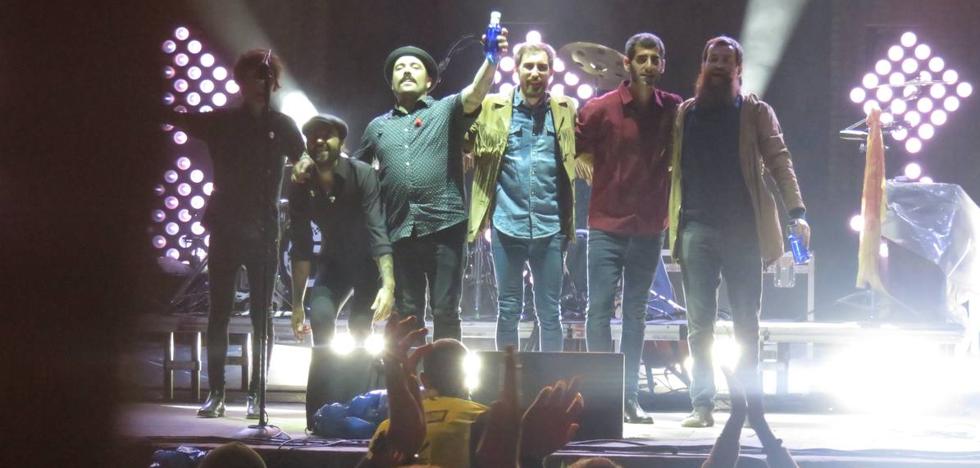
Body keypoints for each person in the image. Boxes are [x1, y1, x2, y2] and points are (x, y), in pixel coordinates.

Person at [668, 36, 810, 428]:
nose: (718, 65)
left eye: (726, 60)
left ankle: (748, 405)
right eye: (712, 58)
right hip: (696, 228)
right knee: (699, 325)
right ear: (703, 65)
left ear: (738, 69)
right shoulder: (686, 113)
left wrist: (797, 211)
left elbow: (780, 161)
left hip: (744, 231)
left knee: (747, 322)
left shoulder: (755, 113)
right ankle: (702, 405)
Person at [341, 32, 508, 342]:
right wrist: (310, 161)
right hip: (401, 230)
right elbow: (352, 169)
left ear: (430, 81)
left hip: (446, 225)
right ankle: (408, 383)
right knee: (407, 311)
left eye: (414, 67)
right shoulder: (377, 127)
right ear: (391, 82)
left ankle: (446, 383)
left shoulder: (444, 110)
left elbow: (475, 93)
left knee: (445, 309)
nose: (406, 71)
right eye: (399, 68)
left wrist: (491, 60)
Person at [169, 49, 304, 419]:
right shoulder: (223, 121)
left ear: (272, 81)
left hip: (264, 227)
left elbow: (304, 158)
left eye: (262, 76)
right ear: (239, 82)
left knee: (263, 313)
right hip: (226, 222)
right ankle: (216, 393)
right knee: (220, 311)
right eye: (249, 76)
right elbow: (179, 119)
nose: (256, 83)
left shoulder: (282, 124)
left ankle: (257, 394)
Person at [575, 33, 682, 424]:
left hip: (649, 226)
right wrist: (584, 163)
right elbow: (570, 145)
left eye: (655, 59)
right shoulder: (600, 109)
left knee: (635, 314)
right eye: (642, 59)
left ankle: (628, 397)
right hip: (606, 224)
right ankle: (601, 396)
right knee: (598, 311)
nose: (649, 65)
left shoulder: (672, 108)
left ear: (663, 65)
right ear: (628, 63)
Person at [467, 40, 577, 352]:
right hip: (506, 225)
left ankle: (551, 387)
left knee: (550, 313)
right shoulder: (492, 108)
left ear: (551, 72)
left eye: (542, 67)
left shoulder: (566, 109)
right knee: (509, 310)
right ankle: (508, 385)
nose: (535, 72)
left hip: (550, 226)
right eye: (528, 66)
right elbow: (463, 134)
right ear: (516, 70)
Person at [287, 114, 395, 429]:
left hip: (365, 265)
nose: (319, 140)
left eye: (327, 135)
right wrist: (296, 304)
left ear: (341, 142)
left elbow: (377, 230)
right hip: (333, 264)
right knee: (320, 317)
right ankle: (320, 411)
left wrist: (388, 283)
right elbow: (302, 247)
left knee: (360, 328)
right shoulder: (300, 184)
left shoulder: (362, 175)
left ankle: (360, 408)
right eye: (313, 136)